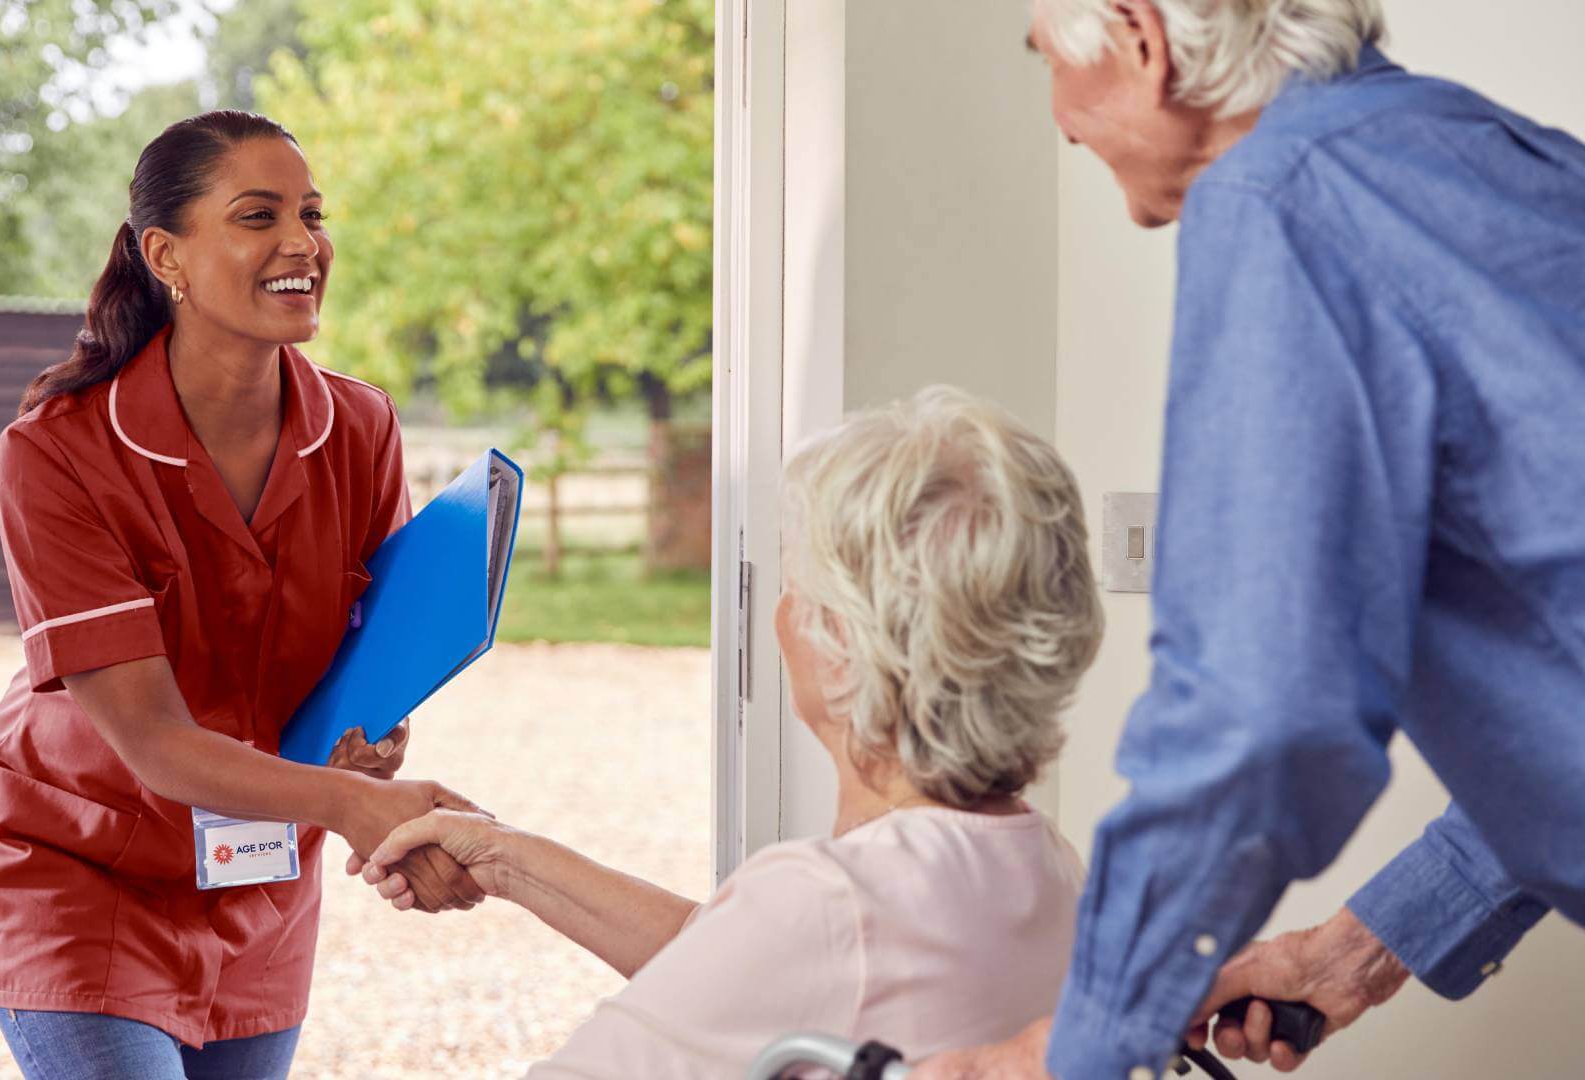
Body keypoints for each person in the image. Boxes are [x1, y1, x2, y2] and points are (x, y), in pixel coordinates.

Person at [910, 2, 1585, 1077]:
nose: (1061, 124)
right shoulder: (1474, 151)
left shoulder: (1278, 197)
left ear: (1138, 38)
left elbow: (1256, 709)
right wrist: (1353, 954)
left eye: (1047, 66)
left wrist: (1067, 1054)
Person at [0, 111, 488, 1080]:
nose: (303, 244)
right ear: (168, 255)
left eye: (312, 215)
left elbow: (364, 668)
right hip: (79, 872)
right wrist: (355, 807)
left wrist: (373, 748)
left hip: (257, 890)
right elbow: (152, 741)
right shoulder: (57, 451)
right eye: (257, 215)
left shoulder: (359, 427)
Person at [355, 387, 1104, 1077]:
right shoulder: (1049, 868)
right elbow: (742, 970)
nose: (781, 611)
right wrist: (505, 858)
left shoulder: (829, 903)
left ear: (843, 645)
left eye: (796, 583)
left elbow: (776, 959)